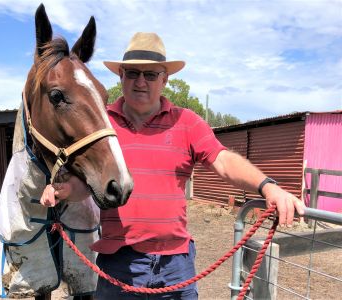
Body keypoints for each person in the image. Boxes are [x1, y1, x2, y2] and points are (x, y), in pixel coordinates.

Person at [40, 32, 305, 299]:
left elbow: (223, 160)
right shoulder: (102, 123)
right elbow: (88, 183)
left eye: (151, 75)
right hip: (119, 262)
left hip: (175, 264)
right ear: (121, 76)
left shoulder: (187, 122)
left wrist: (268, 187)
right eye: (132, 73)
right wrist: (64, 191)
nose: (140, 82)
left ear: (165, 79)